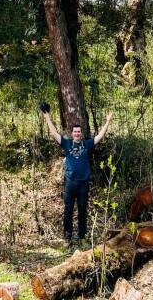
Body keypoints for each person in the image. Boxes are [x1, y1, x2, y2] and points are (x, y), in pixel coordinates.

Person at [41, 104, 114, 245]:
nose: (77, 133)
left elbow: (100, 136)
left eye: (79, 132)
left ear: (81, 133)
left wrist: (108, 121)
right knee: (68, 210)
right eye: (75, 132)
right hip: (70, 183)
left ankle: (81, 236)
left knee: (82, 210)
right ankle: (67, 236)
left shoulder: (87, 144)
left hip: (83, 184)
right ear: (72, 133)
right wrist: (47, 118)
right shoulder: (67, 144)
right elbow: (54, 133)